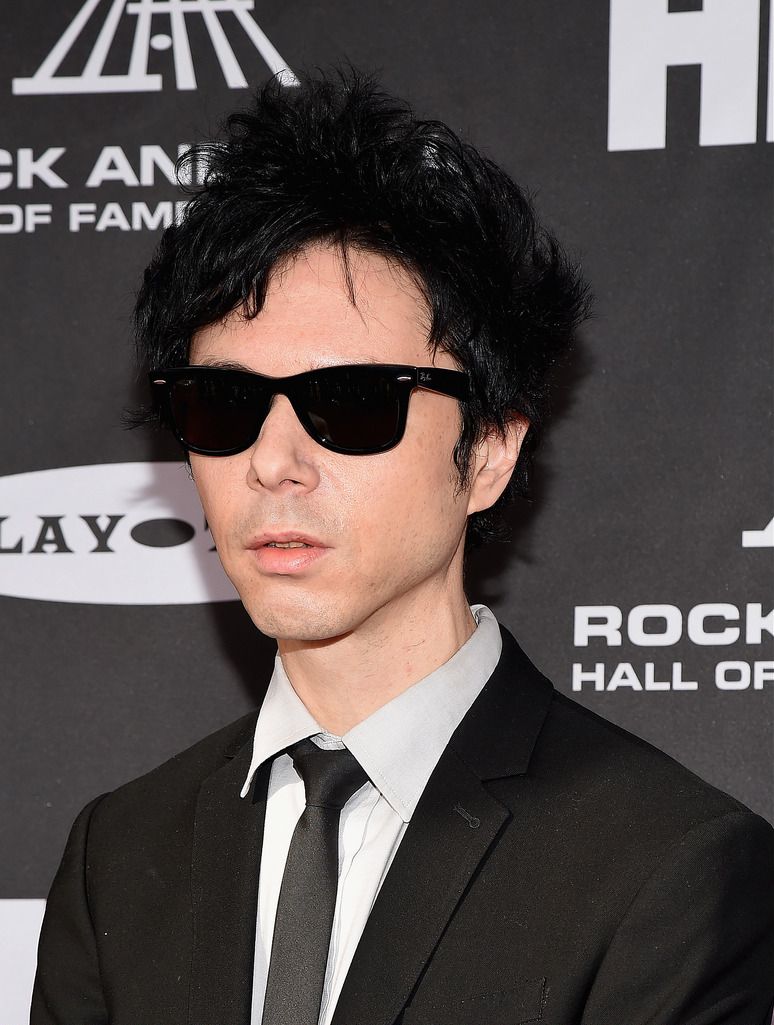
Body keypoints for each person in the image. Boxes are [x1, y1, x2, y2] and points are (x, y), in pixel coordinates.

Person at [32, 69, 774, 1025]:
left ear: (491, 453)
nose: (274, 463)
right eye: (225, 405)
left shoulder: (670, 874)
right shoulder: (117, 859)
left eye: (352, 400)